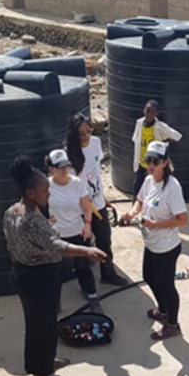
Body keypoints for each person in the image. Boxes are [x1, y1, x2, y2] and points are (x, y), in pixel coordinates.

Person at [3, 155, 106, 376]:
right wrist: (88, 250)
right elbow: (58, 246)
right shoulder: (32, 220)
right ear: (30, 193)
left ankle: (47, 362)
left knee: (47, 324)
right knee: (39, 329)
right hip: (37, 281)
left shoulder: (12, 212)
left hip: (25, 275)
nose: (48, 194)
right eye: (44, 190)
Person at [121, 141, 188, 340]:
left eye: (155, 161)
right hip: (151, 243)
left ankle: (173, 324)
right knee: (149, 276)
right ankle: (163, 310)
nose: (150, 165)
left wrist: (154, 224)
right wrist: (131, 214)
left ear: (165, 163)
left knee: (167, 285)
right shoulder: (149, 180)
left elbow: (183, 220)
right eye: (147, 160)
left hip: (166, 247)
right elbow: (140, 201)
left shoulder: (172, 188)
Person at [66, 113, 128, 286]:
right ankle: (87, 286)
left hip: (97, 203)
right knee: (84, 248)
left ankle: (108, 273)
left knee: (104, 240)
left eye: (88, 131)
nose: (86, 136)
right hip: (80, 209)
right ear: (74, 134)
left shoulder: (95, 143)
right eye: (81, 133)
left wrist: (102, 196)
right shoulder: (69, 156)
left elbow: (96, 172)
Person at [45, 149, 102, 313]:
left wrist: (87, 224)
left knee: (83, 266)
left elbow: (86, 207)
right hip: (57, 235)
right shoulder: (46, 185)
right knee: (56, 270)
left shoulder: (77, 183)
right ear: (52, 169)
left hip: (77, 232)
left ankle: (92, 296)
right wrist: (45, 221)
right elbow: (36, 206)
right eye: (60, 167)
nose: (65, 170)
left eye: (66, 166)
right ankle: (54, 303)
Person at [131, 100, 182, 203]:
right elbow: (135, 139)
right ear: (144, 110)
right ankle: (134, 213)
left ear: (156, 114)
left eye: (152, 112)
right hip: (143, 163)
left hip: (155, 164)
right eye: (147, 111)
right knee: (137, 189)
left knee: (156, 190)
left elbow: (177, 136)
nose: (149, 114)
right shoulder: (139, 123)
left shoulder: (160, 126)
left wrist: (164, 143)